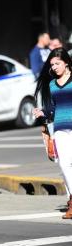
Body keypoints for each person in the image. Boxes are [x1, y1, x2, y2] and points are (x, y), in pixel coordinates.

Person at [33, 47, 72, 219]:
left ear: (66, 62)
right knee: (64, 165)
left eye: (58, 63)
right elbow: (52, 109)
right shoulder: (51, 84)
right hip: (60, 129)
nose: (55, 67)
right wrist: (42, 112)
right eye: (52, 65)